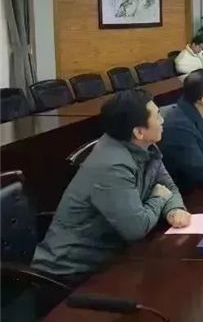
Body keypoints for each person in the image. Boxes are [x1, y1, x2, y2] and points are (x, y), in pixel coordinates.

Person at [31, 90, 191, 283]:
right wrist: (159, 198)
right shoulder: (112, 165)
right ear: (139, 132)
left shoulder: (146, 148)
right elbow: (136, 228)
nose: (162, 120)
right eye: (157, 117)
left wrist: (174, 209)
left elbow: (168, 187)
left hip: (111, 257)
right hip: (71, 272)